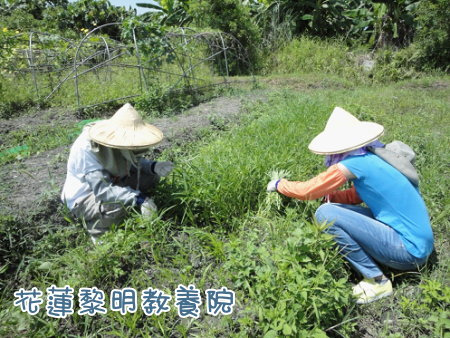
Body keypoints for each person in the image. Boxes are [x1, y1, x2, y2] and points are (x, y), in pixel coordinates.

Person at [266, 107, 434, 304]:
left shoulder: (353, 164)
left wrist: (280, 184)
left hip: (409, 251)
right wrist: (334, 197)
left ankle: (377, 281)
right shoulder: (375, 158)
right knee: (334, 208)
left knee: (325, 214)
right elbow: (360, 194)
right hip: (420, 243)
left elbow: (308, 191)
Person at [61, 103, 174, 244]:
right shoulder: (87, 148)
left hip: (114, 180)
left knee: (150, 177)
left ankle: (134, 206)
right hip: (85, 195)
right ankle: (98, 231)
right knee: (118, 206)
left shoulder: (118, 136)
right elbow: (102, 190)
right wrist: (139, 199)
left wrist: (153, 166)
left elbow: (131, 160)